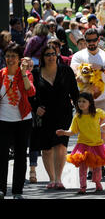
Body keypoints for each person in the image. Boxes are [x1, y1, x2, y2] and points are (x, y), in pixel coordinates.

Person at [29, 45, 79, 190]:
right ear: (42, 57)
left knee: (61, 145)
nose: (51, 57)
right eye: (47, 54)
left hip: (63, 113)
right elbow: (30, 94)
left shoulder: (66, 70)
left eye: (53, 54)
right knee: (47, 148)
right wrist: (35, 107)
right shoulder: (36, 73)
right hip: (44, 115)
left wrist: (81, 110)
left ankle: (58, 178)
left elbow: (74, 92)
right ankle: (50, 179)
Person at [56, 92, 105, 194]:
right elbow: (72, 131)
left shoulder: (97, 113)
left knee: (97, 167)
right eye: (79, 101)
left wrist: (100, 124)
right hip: (83, 145)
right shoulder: (77, 117)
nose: (81, 103)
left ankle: (97, 183)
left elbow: (104, 116)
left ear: (90, 103)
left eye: (84, 101)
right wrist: (64, 132)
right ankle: (83, 187)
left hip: (96, 145)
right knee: (82, 167)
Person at [70, 28, 105, 145]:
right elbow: (74, 73)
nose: (91, 43)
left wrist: (102, 68)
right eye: (88, 41)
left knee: (104, 132)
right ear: (85, 40)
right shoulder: (78, 56)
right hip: (84, 102)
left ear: (98, 40)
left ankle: (101, 162)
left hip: (102, 100)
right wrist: (84, 71)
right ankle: (89, 161)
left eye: (94, 40)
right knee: (85, 133)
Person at [0, 43, 35, 199]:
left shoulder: (26, 74)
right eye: (8, 55)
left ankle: (17, 191)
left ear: (20, 58)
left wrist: (24, 73)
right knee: (1, 156)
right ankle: (1, 189)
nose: (10, 59)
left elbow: (31, 92)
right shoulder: (1, 74)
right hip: (3, 120)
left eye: (13, 56)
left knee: (20, 156)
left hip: (22, 120)